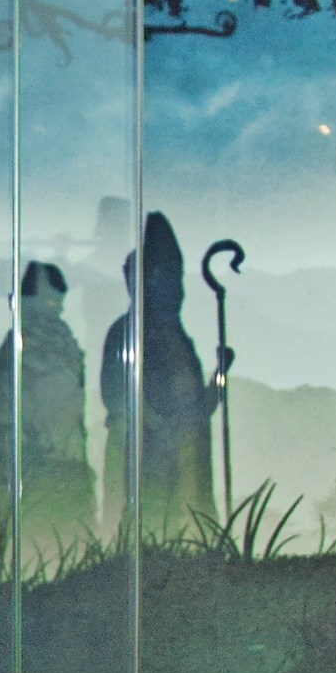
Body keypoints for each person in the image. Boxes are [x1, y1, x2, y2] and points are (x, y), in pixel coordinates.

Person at [103, 214, 216, 539]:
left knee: (191, 527)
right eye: (163, 276)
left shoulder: (178, 337)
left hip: (187, 461)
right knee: (152, 527)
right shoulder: (125, 333)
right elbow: (118, 395)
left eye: (175, 276)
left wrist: (220, 377)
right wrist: (157, 425)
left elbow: (199, 408)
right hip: (149, 456)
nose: (173, 286)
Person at [0, 261, 100, 562]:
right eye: (48, 299)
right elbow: (5, 408)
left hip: (64, 460)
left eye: (57, 300)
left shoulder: (61, 338)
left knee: (67, 539)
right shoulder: (20, 341)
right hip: (30, 460)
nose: (54, 306)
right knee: (34, 538)